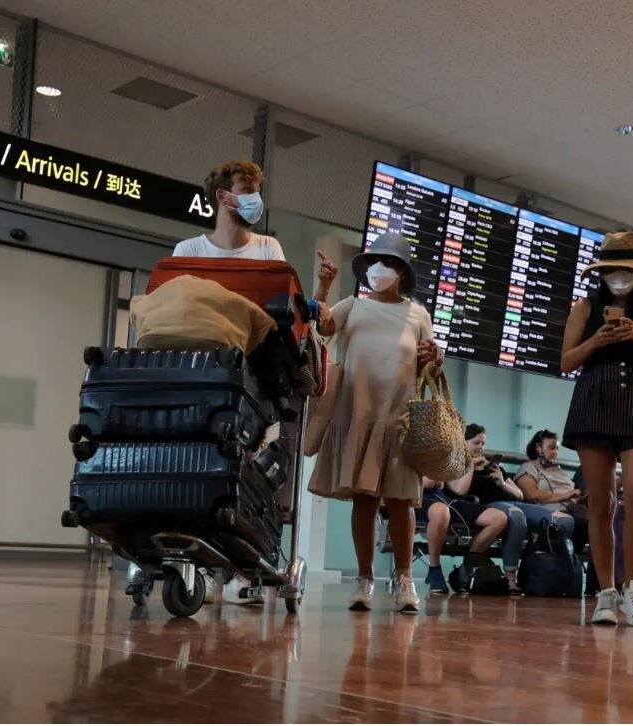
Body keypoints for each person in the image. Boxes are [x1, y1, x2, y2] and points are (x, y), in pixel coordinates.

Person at [179, 160, 339, 605]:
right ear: (222, 196)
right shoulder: (189, 250)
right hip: (205, 373)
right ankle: (207, 560)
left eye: (257, 189)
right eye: (246, 189)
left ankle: (237, 562)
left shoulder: (269, 249)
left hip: (256, 377)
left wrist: (320, 298)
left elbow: (287, 316)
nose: (254, 198)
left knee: (247, 463)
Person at [309, 232, 441, 614]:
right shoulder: (353, 306)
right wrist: (325, 285)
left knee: (402, 502)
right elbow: (321, 327)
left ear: (401, 271)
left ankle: (403, 579)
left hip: (399, 416)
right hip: (358, 413)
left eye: (386, 263)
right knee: (365, 499)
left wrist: (434, 355)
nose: (377, 269)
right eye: (372, 262)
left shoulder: (418, 314)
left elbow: (427, 364)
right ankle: (364, 579)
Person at [560, 231, 633, 627]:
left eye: (625, 269)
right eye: (611, 269)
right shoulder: (585, 306)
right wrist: (597, 340)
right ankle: (605, 592)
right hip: (595, 395)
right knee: (601, 502)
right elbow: (566, 361)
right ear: (603, 272)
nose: (617, 276)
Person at [445, 424, 567, 593]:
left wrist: (502, 482)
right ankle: (509, 576)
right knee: (516, 516)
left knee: (564, 521)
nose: (481, 447)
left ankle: (556, 575)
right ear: (463, 444)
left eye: (483, 443)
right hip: (489, 506)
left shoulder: (494, 468)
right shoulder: (458, 465)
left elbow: (519, 495)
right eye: (476, 443)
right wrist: (470, 465)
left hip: (512, 503)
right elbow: (459, 491)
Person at [418, 474, 509, 596]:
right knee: (441, 512)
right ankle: (434, 569)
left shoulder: (439, 457)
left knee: (498, 518)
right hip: (416, 499)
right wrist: (420, 483)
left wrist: (440, 480)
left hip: (444, 499)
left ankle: (467, 568)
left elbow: (458, 489)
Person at [515, 429, 590, 553]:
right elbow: (531, 494)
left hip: (572, 511)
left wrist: (579, 498)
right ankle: (568, 564)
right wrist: (566, 495)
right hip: (548, 514)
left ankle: (592, 569)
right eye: (551, 448)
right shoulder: (529, 467)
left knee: (601, 525)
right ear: (539, 448)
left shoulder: (561, 472)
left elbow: (573, 496)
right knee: (580, 524)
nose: (555, 452)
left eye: (557, 449)